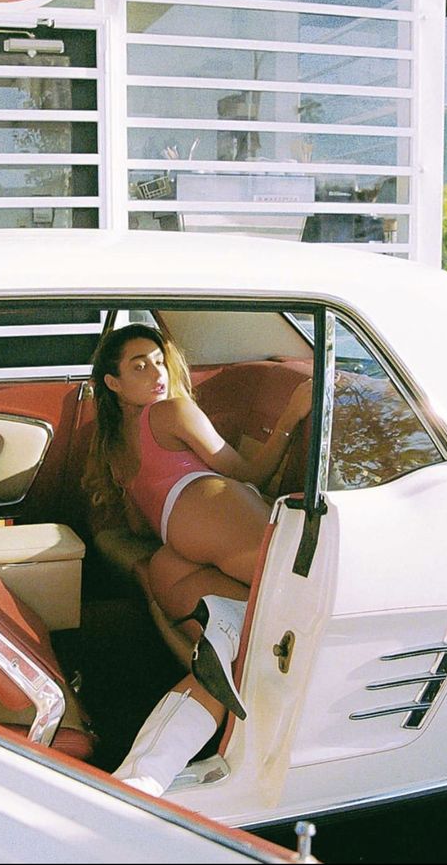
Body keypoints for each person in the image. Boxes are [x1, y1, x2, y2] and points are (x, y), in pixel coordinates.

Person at [85, 323, 312, 796]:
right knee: (301, 604)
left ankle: (139, 781)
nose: (156, 372)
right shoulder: (171, 411)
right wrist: (292, 415)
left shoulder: (114, 443)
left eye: (158, 360)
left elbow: (142, 523)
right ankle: (229, 629)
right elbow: (250, 471)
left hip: (176, 547)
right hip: (213, 509)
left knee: (231, 657)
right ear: (112, 382)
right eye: (138, 365)